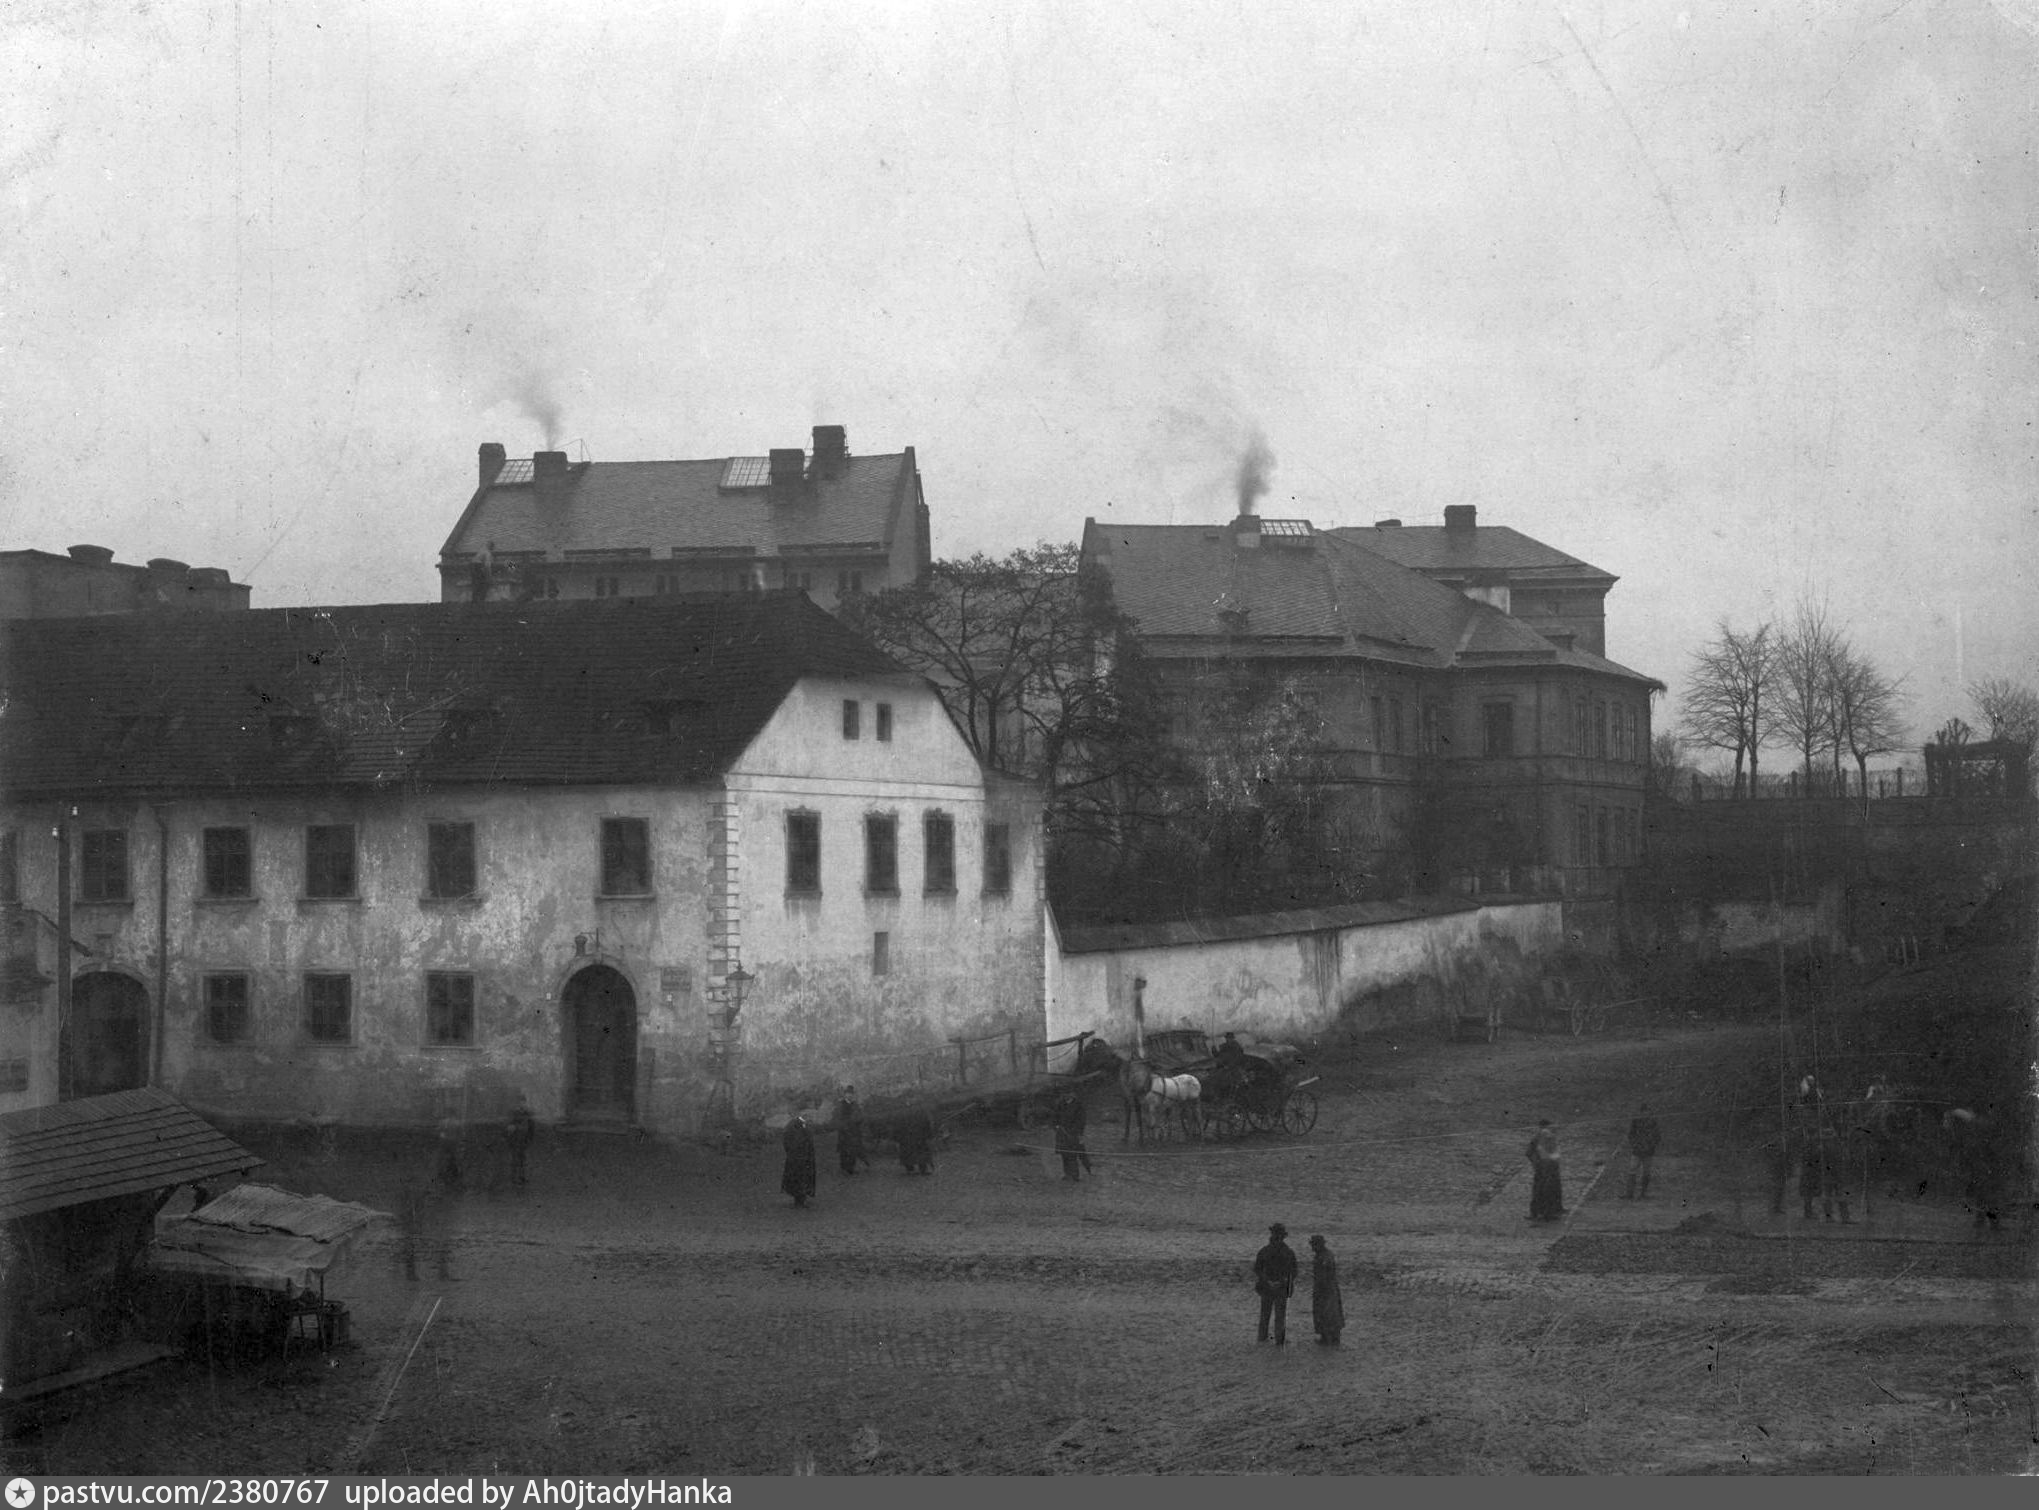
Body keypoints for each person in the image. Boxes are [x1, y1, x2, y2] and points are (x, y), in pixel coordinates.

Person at [1252, 1222, 1298, 1344]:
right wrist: (1282, 1281)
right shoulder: (1288, 1252)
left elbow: (1257, 1269)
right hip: (1280, 1287)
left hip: (1268, 1287)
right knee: (1279, 1316)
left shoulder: (1264, 1251)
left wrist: (1267, 1281)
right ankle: (1278, 1339)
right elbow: (1294, 1272)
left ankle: (1263, 1338)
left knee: (1265, 1315)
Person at [1307, 1235, 1344, 1346]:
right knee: (1326, 1313)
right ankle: (1327, 1337)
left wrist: (1320, 1288)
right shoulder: (1323, 1255)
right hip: (1326, 1288)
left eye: (1313, 1245)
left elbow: (1324, 1275)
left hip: (1326, 1289)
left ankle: (1330, 1338)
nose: (1312, 1247)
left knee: (1328, 1313)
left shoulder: (1325, 1257)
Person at [1526, 1120, 1565, 1222]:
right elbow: (1529, 1152)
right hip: (1543, 1169)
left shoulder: (1549, 1136)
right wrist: (1537, 1164)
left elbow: (1553, 1152)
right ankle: (1540, 1214)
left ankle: (1548, 1212)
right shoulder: (1538, 1137)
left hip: (1549, 1168)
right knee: (1542, 1191)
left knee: (1549, 1190)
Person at [1622, 1103, 1661, 1200]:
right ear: (1641, 1112)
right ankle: (1629, 1194)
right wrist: (1635, 1144)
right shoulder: (1636, 1121)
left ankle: (1643, 1194)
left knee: (1646, 1172)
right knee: (1632, 1170)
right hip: (1637, 1150)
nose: (1645, 1113)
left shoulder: (1653, 1122)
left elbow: (1657, 1136)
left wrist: (1651, 1145)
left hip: (1648, 1151)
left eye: (1647, 1111)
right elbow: (1631, 1135)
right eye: (1643, 1112)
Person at [1054, 1091, 1094, 1182]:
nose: (1066, 1096)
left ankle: (1075, 1176)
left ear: (1072, 1095)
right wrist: (1056, 1125)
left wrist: (1075, 1131)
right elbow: (1055, 1116)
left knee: (1073, 1155)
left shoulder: (1078, 1106)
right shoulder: (1061, 1104)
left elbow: (1081, 1121)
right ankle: (1067, 1174)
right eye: (1064, 1094)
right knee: (1064, 1154)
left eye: (1068, 1094)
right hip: (1061, 1133)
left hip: (1073, 1134)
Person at [781, 1114, 818, 1208]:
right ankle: (798, 1201)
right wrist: (793, 1152)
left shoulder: (804, 1124)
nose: (811, 1118)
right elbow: (788, 1141)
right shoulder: (793, 1125)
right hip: (797, 1158)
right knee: (797, 1178)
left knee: (804, 1178)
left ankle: (802, 1199)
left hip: (805, 1157)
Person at [834, 1085, 869, 1176]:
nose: (849, 1095)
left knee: (853, 1149)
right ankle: (844, 1167)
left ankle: (851, 1168)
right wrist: (843, 1127)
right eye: (848, 1093)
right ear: (845, 1095)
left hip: (854, 1131)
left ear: (853, 1095)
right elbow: (838, 1117)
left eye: (851, 1094)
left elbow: (860, 1116)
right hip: (844, 1131)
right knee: (844, 1150)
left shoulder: (855, 1105)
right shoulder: (841, 1105)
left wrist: (858, 1121)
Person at [504, 1095, 535, 1193]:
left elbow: (531, 1127)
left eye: (523, 1102)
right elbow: (509, 1126)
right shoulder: (514, 1113)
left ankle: (522, 1176)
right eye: (520, 1102)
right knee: (515, 1159)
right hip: (515, 1139)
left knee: (522, 1159)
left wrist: (529, 1138)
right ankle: (514, 1177)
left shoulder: (527, 1113)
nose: (522, 1104)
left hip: (524, 1139)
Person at [895, 1109, 937, 1175]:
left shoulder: (921, 1112)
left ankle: (921, 1168)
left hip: (917, 1136)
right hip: (908, 1136)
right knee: (909, 1151)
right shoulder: (902, 1112)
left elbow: (927, 1124)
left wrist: (929, 1134)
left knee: (920, 1151)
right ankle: (912, 1168)